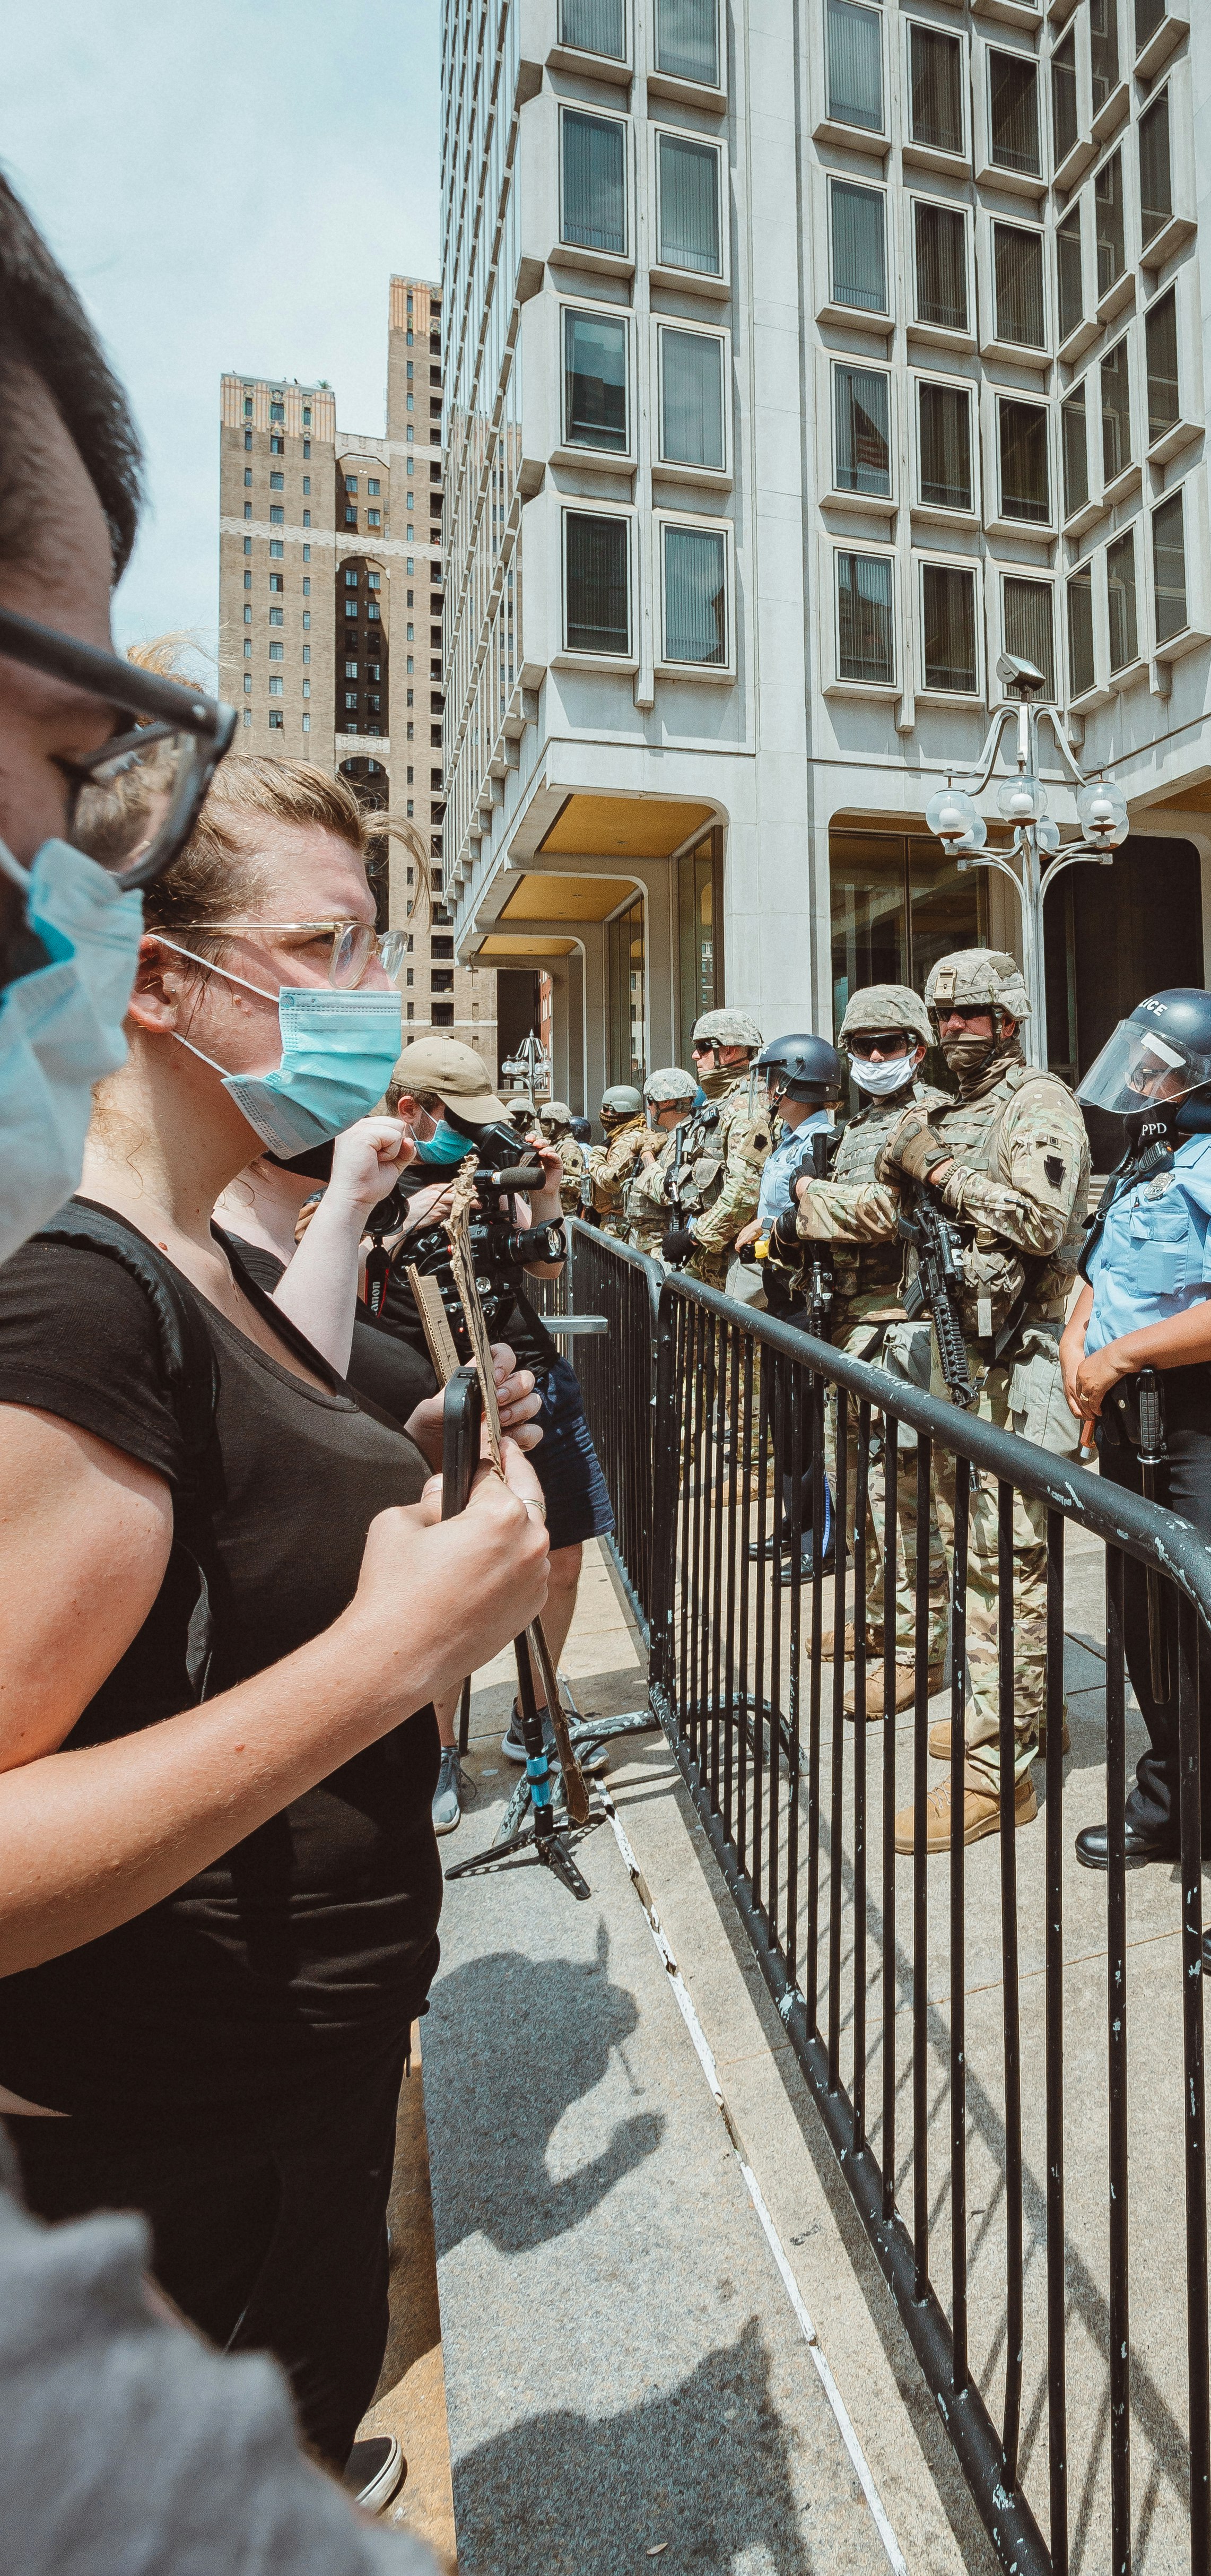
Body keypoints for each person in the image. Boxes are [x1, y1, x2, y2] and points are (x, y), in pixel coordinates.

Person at [0, 170, 528, 2566]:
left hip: (300, 2066)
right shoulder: (81, 1301)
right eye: (325, 948)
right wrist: (409, 1640)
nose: (367, 993)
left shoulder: (217, 1249)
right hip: (152, 2124)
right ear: (158, 979)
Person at [795, 950, 1089, 1852]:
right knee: (976, 1563)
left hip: (1021, 1362)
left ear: (1010, 1019)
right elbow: (891, 1210)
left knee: (1008, 1570)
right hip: (959, 1360)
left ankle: (1002, 1778)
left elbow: (1041, 1225)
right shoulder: (946, 1113)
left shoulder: (1038, 1104)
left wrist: (938, 1174)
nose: (959, 1033)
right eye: (947, 1018)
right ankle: (1022, 1719)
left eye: (975, 1018)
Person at [1063, 991, 1211, 1979]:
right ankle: (1175, 1810)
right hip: (1135, 1429)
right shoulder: (1140, 1169)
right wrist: (1081, 1351)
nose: (1140, 1081)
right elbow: (1092, 1279)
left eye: (1157, 1066)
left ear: (1204, 1080)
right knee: (1148, 1630)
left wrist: (1118, 1362)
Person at [216, 1125, 545, 1835]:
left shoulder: (299, 1238)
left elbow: (322, 1424)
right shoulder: (213, 1260)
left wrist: (428, 1437)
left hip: (359, 1734)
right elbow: (286, 1438)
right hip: (296, 1748)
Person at [373, 1035, 614, 1767]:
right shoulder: (367, 1173)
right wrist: (406, 1224)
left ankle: (534, 1716)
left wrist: (542, 1189)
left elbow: (540, 1262)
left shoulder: (490, 1169)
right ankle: (441, 1745)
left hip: (528, 1374)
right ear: (414, 1109)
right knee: (442, 1575)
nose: (476, 1132)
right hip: (425, 1387)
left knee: (562, 1556)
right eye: (462, 1116)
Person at [770, 986, 954, 1717]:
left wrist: (807, 1205)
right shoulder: (856, 1128)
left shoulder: (929, 1116)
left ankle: (917, 1650)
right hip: (849, 1328)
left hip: (898, 1329)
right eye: (864, 1047)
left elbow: (900, 1212)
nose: (877, 1058)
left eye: (890, 1044)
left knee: (901, 1499)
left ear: (917, 1043)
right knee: (860, 1493)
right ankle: (881, 1619)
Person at [742, 1033, 842, 1577]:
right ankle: (793, 1521)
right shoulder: (789, 1139)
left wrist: (768, 1232)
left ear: (798, 1079)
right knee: (785, 1421)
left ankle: (819, 1537)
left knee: (808, 1422)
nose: (769, 1088)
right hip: (781, 1294)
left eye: (775, 1077)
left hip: (809, 1298)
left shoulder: (819, 1144)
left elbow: (812, 1220)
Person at [661, 1007, 768, 1288]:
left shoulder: (746, 1106)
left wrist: (693, 1237)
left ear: (729, 1051)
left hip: (733, 1257)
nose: (696, 1056)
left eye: (703, 1047)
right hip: (712, 1255)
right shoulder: (721, 1102)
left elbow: (744, 1192)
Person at [624, 1067, 696, 1253]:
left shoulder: (686, 1138)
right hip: (651, 1241)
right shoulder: (671, 1137)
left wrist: (648, 1157)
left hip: (665, 1244)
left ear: (665, 1102)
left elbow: (669, 1193)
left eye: (651, 1100)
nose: (649, 1107)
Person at [589, 1081, 655, 1228]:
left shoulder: (628, 1139)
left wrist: (596, 1155)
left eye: (606, 1109)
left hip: (620, 1226)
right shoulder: (630, 1134)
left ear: (618, 1112)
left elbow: (611, 1181)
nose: (602, 1113)